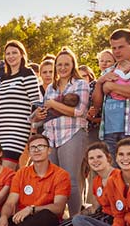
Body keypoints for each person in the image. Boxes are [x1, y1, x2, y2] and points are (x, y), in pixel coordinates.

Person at [38, 49, 91, 202]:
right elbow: (48, 111)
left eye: (66, 64)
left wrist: (53, 104)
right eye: (59, 64)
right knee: (55, 180)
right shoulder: (50, 88)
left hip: (72, 133)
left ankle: (75, 220)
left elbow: (79, 111)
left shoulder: (81, 84)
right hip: (51, 135)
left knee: (71, 179)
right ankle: (59, 218)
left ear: (73, 65)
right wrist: (40, 114)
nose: (62, 67)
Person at [0, 42, 41, 167]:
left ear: (21, 55)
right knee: (2, 171)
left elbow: (36, 103)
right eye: (8, 53)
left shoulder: (27, 73)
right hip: (2, 128)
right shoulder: (4, 77)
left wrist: (33, 128)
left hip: (18, 128)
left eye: (14, 52)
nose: (11, 56)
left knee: (7, 168)